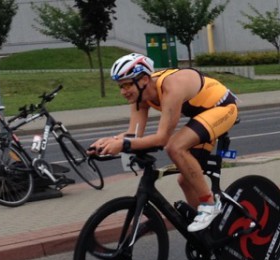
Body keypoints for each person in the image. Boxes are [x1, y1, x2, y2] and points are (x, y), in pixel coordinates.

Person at [89, 53, 239, 234]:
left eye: (127, 85)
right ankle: (207, 236)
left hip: (222, 108)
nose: (123, 91)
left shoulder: (171, 88)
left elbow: (162, 138)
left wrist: (123, 145)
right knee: (185, 180)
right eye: (120, 86)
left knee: (175, 147)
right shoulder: (140, 97)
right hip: (201, 114)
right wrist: (108, 142)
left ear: (144, 79)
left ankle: (209, 204)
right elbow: (134, 134)